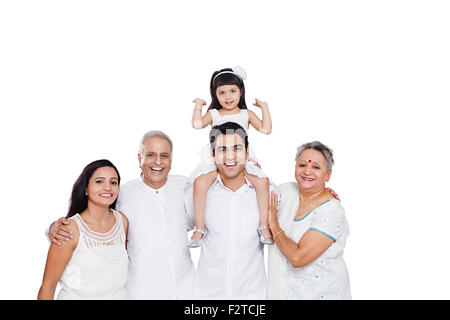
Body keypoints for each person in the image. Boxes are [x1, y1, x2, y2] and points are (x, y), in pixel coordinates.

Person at [48, 131, 196, 299]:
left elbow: (208, 216)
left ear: (171, 159)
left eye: (164, 155)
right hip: (141, 293)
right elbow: (93, 218)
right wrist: (54, 227)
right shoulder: (122, 193)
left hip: (186, 290)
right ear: (140, 159)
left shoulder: (185, 187)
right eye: (150, 155)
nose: (158, 162)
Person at [184, 122, 272, 299]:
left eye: (237, 148)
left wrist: (324, 192)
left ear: (247, 152)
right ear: (212, 154)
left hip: (252, 297)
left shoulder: (267, 192)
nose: (230, 156)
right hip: (207, 296)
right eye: (222, 149)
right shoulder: (197, 192)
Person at [189, 66, 273, 247]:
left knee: (261, 181)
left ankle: (264, 226)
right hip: (217, 157)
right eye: (222, 93)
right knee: (200, 183)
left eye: (233, 91)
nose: (228, 97)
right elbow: (197, 124)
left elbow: (266, 129)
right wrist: (198, 106)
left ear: (241, 92)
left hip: (241, 156)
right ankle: (199, 228)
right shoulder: (214, 114)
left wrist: (264, 108)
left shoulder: (246, 114)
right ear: (215, 94)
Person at [267, 141, 351, 299]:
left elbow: (298, 258)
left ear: (328, 175)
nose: (307, 171)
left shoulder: (331, 211)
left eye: (316, 167)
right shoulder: (286, 192)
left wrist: (273, 223)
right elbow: (255, 194)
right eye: (302, 165)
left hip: (323, 294)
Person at [38, 159, 128, 300]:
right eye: (99, 181)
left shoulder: (122, 222)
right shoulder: (69, 230)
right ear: (85, 189)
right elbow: (48, 287)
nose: (108, 188)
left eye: (113, 182)